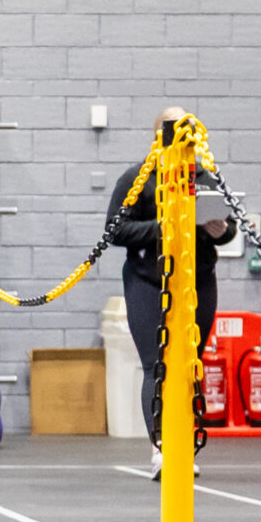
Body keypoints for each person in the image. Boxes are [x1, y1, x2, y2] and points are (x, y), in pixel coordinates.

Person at [109, 107, 234, 480]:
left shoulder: (206, 177)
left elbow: (228, 231)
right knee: (156, 365)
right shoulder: (137, 179)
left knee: (189, 364)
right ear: (158, 139)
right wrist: (164, 227)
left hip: (198, 280)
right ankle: (162, 448)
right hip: (148, 280)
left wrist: (220, 231)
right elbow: (115, 231)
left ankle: (184, 441)